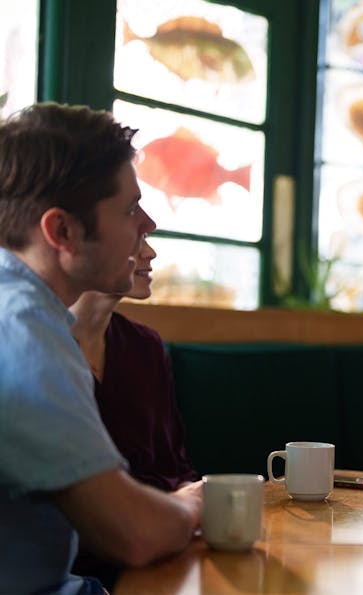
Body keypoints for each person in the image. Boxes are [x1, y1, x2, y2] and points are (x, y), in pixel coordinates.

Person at [0, 103, 202, 594]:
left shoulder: (30, 312)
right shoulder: (26, 331)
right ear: (62, 231)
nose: (146, 226)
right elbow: (135, 535)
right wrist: (202, 503)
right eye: (129, 208)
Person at [69, 238, 199, 587]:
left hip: (164, 547)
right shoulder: (38, 347)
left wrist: (194, 496)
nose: (151, 253)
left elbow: (174, 465)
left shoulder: (145, 346)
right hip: (81, 567)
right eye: (135, 239)